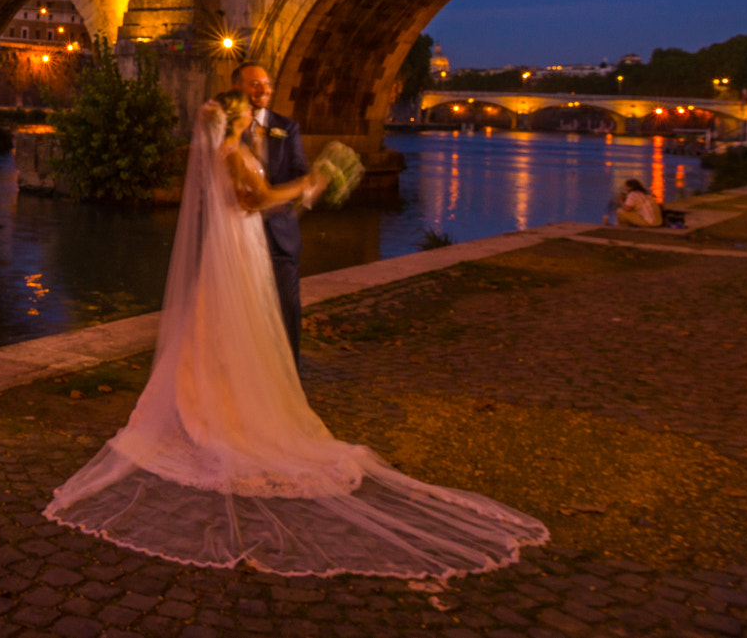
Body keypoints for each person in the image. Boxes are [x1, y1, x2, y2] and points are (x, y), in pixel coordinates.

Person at [45, 93, 549, 577]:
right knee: (237, 331)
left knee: (212, 332)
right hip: (240, 251)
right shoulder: (235, 154)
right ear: (238, 120)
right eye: (247, 113)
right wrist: (311, 182)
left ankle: (202, 404)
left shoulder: (226, 152)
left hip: (231, 251)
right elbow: (258, 200)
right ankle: (228, 413)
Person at [233, 63, 308, 362]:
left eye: (266, 84)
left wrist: (304, 188)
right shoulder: (227, 130)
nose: (263, 90)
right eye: (255, 84)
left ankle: (291, 379)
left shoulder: (287, 128)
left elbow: (300, 174)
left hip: (280, 238)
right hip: (238, 237)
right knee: (242, 315)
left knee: (288, 312)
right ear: (237, 87)